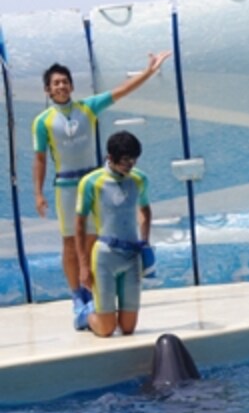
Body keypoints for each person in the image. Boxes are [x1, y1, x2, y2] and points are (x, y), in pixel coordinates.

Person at [32, 51, 171, 314]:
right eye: (55, 83)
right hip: (65, 186)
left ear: (71, 86)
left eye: (64, 81)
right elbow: (40, 160)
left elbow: (121, 91)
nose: (61, 86)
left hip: (93, 183)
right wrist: (38, 193)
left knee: (94, 241)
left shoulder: (88, 107)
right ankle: (77, 298)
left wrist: (149, 71)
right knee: (70, 243)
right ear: (48, 90)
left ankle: (93, 292)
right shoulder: (42, 122)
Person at [75, 130, 151, 337]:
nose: (131, 165)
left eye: (134, 160)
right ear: (110, 157)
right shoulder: (91, 182)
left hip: (131, 255)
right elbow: (80, 225)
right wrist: (83, 266)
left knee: (128, 328)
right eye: (126, 160)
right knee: (107, 329)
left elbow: (145, 211)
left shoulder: (139, 179)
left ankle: (102, 311)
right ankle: (86, 313)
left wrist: (145, 243)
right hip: (106, 255)